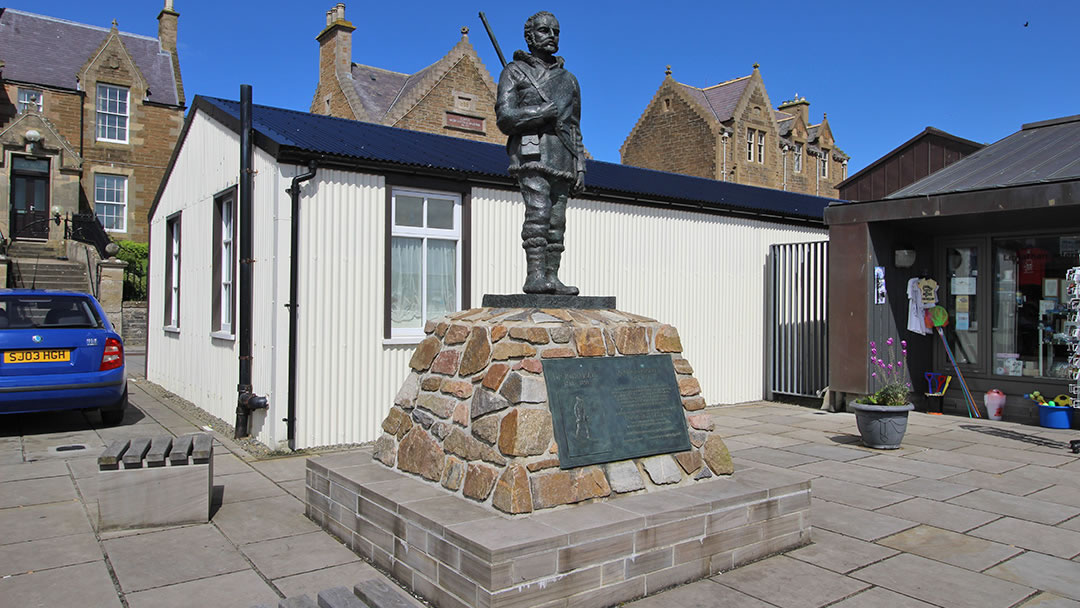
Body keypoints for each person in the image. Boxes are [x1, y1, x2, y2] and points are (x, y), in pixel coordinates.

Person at [495, 11, 586, 295]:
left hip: (562, 155)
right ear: (530, 36)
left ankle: (552, 277)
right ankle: (535, 276)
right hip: (531, 154)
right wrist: (540, 112)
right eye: (545, 31)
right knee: (539, 213)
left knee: (557, 222)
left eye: (556, 32)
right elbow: (504, 118)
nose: (552, 36)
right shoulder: (514, 72)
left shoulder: (569, 80)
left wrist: (580, 165)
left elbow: (574, 126)